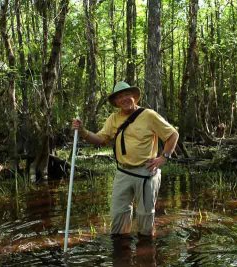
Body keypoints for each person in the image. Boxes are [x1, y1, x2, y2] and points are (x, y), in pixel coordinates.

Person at [72, 81, 179, 237]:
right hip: (123, 172)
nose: (124, 99)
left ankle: (147, 250)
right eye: (120, 97)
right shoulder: (113, 119)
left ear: (134, 97)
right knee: (118, 215)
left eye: (127, 95)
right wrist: (83, 131)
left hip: (146, 173)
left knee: (145, 217)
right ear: (116, 102)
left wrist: (164, 157)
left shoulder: (148, 115)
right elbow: (101, 139)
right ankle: (122, 252)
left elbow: (173, 134)